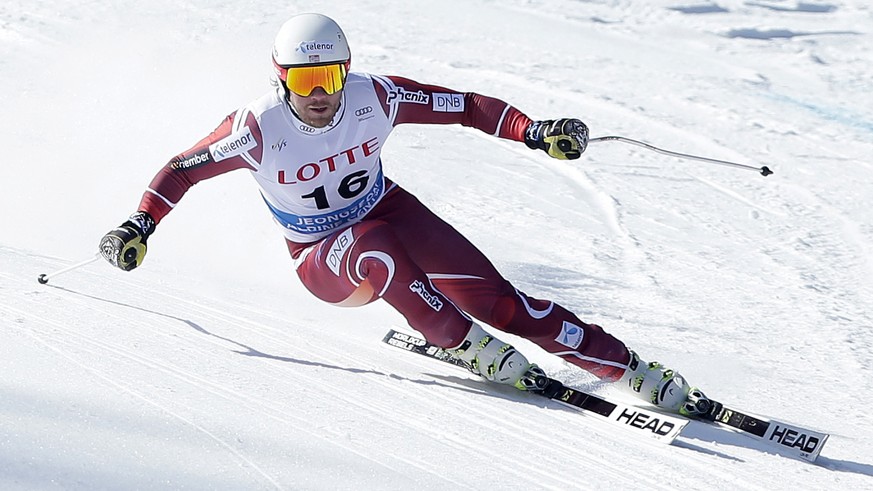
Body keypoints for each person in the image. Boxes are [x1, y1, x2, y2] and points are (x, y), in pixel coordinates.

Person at [99, 13, 709, 416]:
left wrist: (536, 131)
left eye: (330, 75)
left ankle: (629, 367)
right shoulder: (258, 127)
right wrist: (139, 225)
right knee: (377, 244)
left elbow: (465, 106)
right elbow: (182, 168)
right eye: (305, 79)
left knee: (502, 301)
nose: (320, 93)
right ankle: (460, 342)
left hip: (386, 210)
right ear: (282, 79)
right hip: (321, 257)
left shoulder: (376, 96)